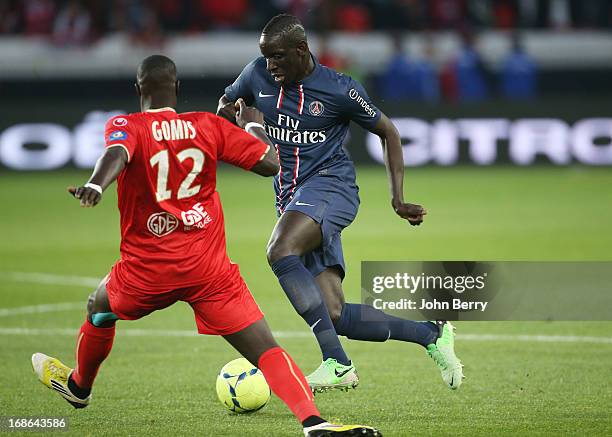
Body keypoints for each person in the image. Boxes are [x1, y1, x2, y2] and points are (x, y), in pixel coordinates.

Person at [31, 55, 380, 437]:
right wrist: (251, 125)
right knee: (266, 349)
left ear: (138, 91)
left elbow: (117, 154)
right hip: (207, 272)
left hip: (146, 273)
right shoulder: (207, 125)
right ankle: (314, 422)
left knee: (98, 309)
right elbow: (269, 163)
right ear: (177, 89)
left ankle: (80, 386)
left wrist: (97, 185)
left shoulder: (126, 125)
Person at [217, 14, 464, 393]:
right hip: (292, 199)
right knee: (336, 314)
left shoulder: (340, 89)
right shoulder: (256, 75)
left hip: (332, 188)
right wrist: (237, 119)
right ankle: (432, 334)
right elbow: (226, 106)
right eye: (266, 57)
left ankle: (337, 363)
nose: (271, 65)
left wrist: (397, 198)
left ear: (302, 50)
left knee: (280, 250)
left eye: (278, 56)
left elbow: (389, 132)